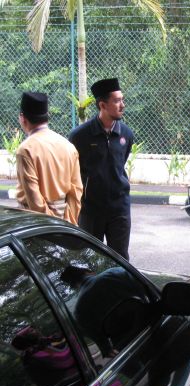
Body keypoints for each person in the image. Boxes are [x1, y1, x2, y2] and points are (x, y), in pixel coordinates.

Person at [69, 78, 134, 260]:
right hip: (91, 210)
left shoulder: (126, 134)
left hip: (119, 209)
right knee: (88, 259)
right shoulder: (79, 136)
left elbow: (120, 163)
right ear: (102, 105)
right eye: (117, 101)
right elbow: (73, 171)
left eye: (122, 99)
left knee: (120, 259)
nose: (122, 105)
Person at [15, 92, 82, 225]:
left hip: (36, 223)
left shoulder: (26, 150)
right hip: (65, 221)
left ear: (22, 118)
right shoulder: (68, 146)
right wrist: (67, 223)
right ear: (47, 116)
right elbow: (76, 191)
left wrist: (51, 225)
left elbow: (34, 200)